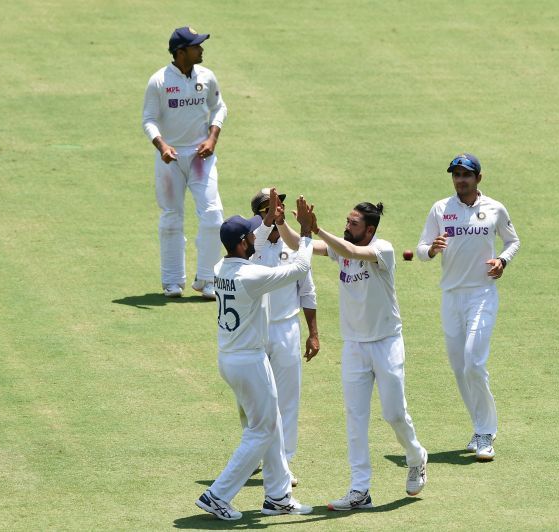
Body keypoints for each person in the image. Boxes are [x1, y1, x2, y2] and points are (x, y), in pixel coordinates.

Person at [277, 201, 428, 511]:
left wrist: (317, 228)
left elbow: (352, 252)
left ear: (369, 230)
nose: (347, 227)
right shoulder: (342, 246)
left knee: (394, 414)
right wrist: (281, 223)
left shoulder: (382, 249)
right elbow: (298, 244)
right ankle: (360, 489)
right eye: (347, 221)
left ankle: (415, 456)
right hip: (354, 347)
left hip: (386, 343)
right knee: (355, 419)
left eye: (353, 224)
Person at [195, 190, 315, 521]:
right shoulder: (252, 276)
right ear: (243, 244)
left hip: (231, 357)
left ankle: (277, 496)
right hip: (249, 361)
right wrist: (304, 231)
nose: (255, 236)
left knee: (270, 422)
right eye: (250, 235)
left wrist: (269, 221)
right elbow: (300, 266)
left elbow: (255, 242)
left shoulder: (221, 267)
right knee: (261, 430)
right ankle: (217, 495)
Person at [416, 153, 521, 461]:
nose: (460, 180)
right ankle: (478, 428)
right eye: (456, 174)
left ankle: (487, 433)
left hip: (482, 293)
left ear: (478, 178)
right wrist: (432, 250)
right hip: (451, 295)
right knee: (460, 367)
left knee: (474, 361)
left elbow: (513, 241)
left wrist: (502, 261)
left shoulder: (494, 209)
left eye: (466, 174)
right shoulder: (441, 208)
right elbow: (421, 250)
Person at [142, 26, 227, 300]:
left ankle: (208, 279)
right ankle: (172, 281)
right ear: (181, 52)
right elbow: (149, 120)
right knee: (171, 218)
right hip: (171, 159)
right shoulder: (159, 81)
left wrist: (212, 137)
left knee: (213, 215)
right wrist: (162, 145)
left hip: (202, 156)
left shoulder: (207, 76)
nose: (201, 49)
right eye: (195, 46)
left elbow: (219, 107)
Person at [241, 188, 319, 486]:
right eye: (268, 208)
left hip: (287, 328)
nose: (276, 210)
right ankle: (253, 455)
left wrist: (313, 333)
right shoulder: (251, 246)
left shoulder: (294, 247)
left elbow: (307, 291)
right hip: (255, 329)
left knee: (287, 398)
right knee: (253, 400)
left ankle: (284, 461)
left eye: (279, 205)